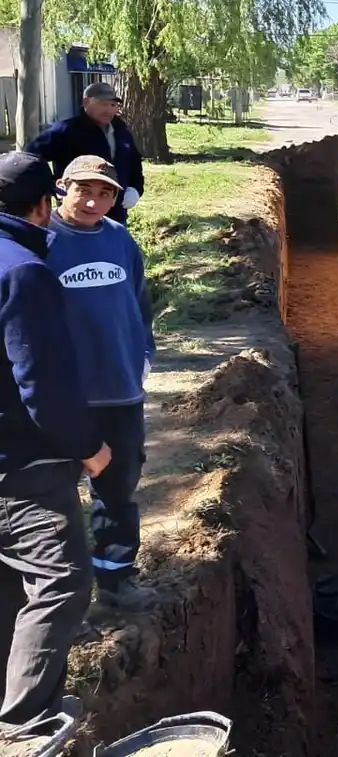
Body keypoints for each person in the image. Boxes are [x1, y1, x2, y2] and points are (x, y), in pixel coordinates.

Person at [0, 152, 112, 739]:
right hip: (23, 465)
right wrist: (87, 446)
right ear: (44, 205)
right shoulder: (23, 270)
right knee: (62, 580)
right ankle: (23, 723)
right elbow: (40, 382)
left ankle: (5, 699)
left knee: (8, 585)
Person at [44, 157, 156, 610]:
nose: (94, 201)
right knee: (54, 496)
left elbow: (139, 302)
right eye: (84, 190)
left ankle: (115, 579)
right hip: (66, 396)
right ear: (61, 187)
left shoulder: (120, 239)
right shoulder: (42, 243)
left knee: (118, 487)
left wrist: (144, 353)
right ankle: (60, 594)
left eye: (105, 193)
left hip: (121, 391)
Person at [24, 82, 145, 227]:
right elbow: (30, 158)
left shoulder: (121, 131)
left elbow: (134, 161)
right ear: (86, 102)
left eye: (113, 105)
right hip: (77, 211)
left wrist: (136, 188)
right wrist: (50, 187)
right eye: (103, 104)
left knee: (113, 247)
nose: (109, 110)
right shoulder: (66, 131)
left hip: (115, 213)